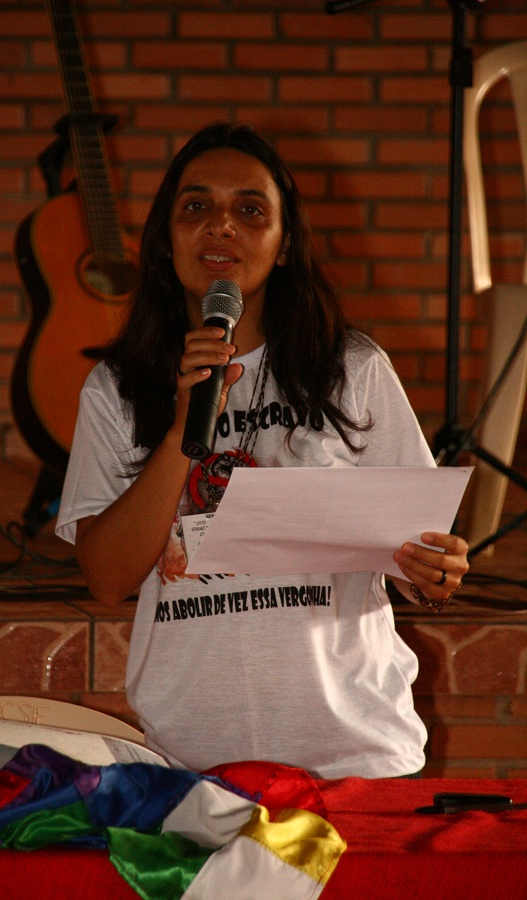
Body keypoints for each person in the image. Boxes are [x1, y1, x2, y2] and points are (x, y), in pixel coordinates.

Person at [56, 122, 469, 779]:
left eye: (250, 210)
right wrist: (180, 431)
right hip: (193, 760)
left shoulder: (352, 369)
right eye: (196, 206)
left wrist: (434, 571)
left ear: (283, 245)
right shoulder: (117, 388)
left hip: (355, 755)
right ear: (165, 239)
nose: (221, 226)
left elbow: (421, 559)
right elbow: (107, 578)